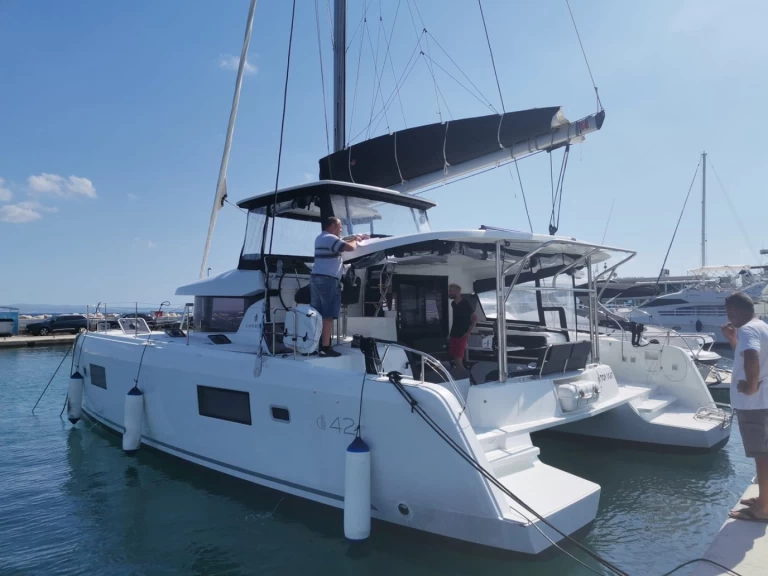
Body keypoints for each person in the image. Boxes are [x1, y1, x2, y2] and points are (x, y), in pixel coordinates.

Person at [721, 292, 768, 523]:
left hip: (755, 405)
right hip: (764, 402)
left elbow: (752, 355)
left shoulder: (748, 330)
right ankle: (765, 500)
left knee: (762, 456)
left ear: (736, 310)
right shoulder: (761, 326)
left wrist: (750, 387)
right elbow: (747, 353)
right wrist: (732, 340)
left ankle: (763, 510)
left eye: (729, 312)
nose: (729, 317)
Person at [311, 216, 368, 357]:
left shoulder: (320, 238)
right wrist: (357, 240)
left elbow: (341, 242)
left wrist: (355, 236)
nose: (341, 229)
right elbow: (349, 247)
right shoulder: (330, 238)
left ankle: (314, 345)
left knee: (317, 314)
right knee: (328, 315)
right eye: (340, 226)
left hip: (316, 279)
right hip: (328, 281)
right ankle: (326, 348)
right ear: (333, 226)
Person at [447, 283, 477, 370]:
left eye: (450, 291)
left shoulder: (465, 303)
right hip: (454, 334)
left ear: (456, 292)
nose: (449, 293)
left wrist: (468, 332)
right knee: (454, 358)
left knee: (458, 359)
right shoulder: (453, 304)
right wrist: (450, 334)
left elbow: (475, 318)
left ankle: (465, 378)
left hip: (462, 334)